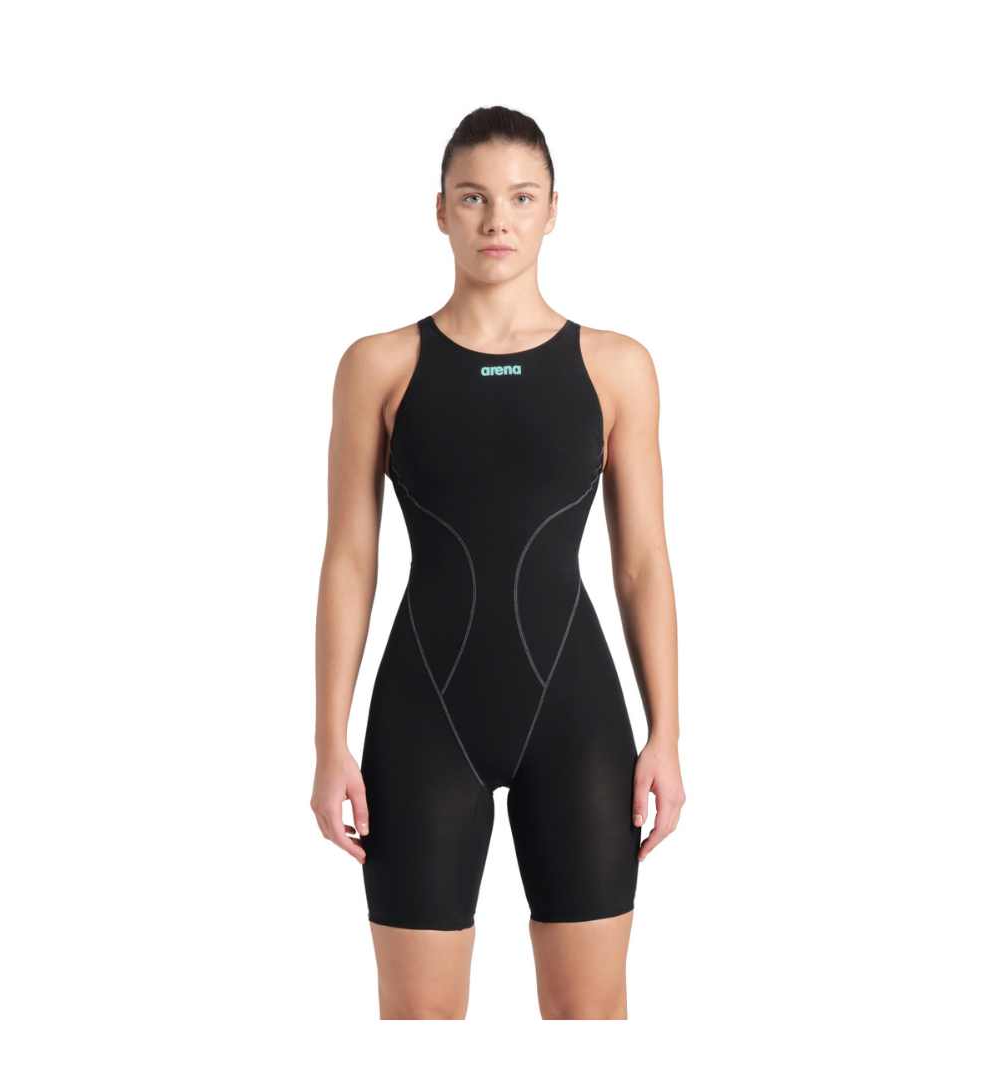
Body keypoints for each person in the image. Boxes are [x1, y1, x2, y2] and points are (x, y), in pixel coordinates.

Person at [311, 105, 684, 1020]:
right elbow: (350, 559)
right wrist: (328, 741)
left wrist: (666, 735)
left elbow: (642, 562)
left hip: (577, 721)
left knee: (590, 1024)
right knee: (419, 1031)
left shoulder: (617, 366)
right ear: (440, 210)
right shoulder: (379, 365)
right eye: (473, 198)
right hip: (422, 720)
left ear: (553, 209)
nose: (497, 220)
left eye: (521, 197)